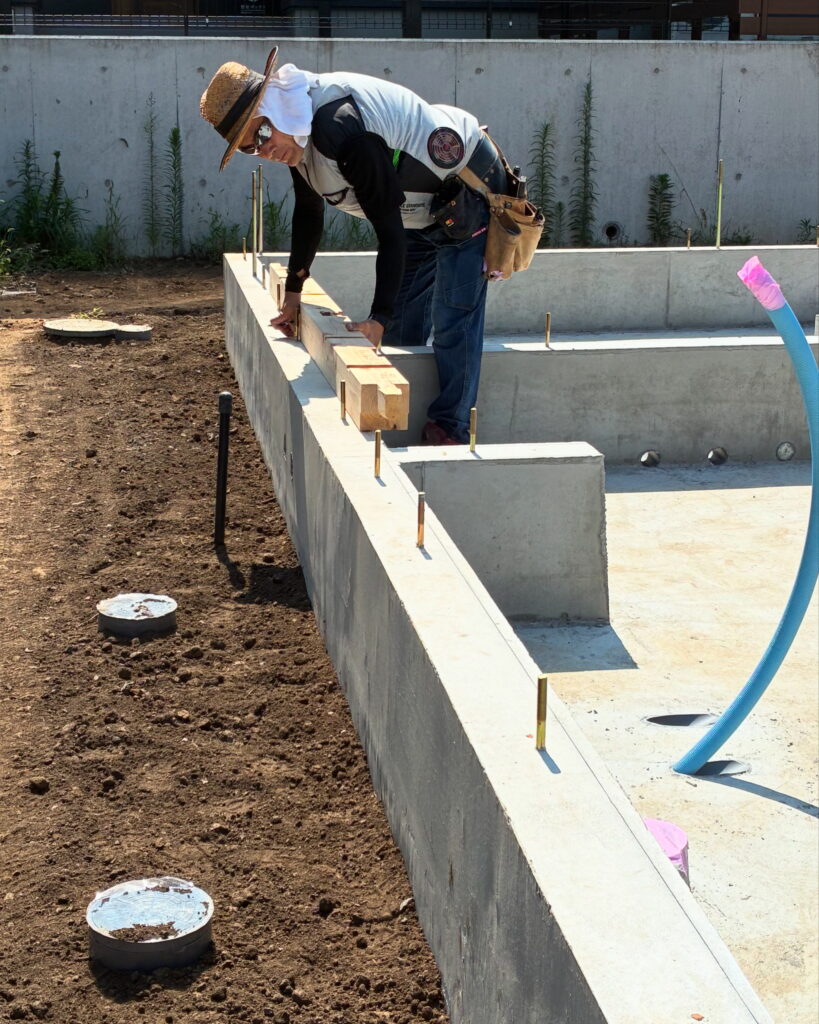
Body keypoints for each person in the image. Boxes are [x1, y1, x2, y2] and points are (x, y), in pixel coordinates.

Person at [200, 46, 509, 444]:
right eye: (250, 148)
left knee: (454, 316)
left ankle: (451, 429)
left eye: (261, 133)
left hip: (468, 187)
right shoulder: (297, 138)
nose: (265, 150)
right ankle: (406, 406)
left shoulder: (339, 127)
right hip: (423, 206)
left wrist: (377, 318)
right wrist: (293, 294)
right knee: (406, 317)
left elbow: (389, 231)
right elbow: (309, 213)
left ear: (277, 107)